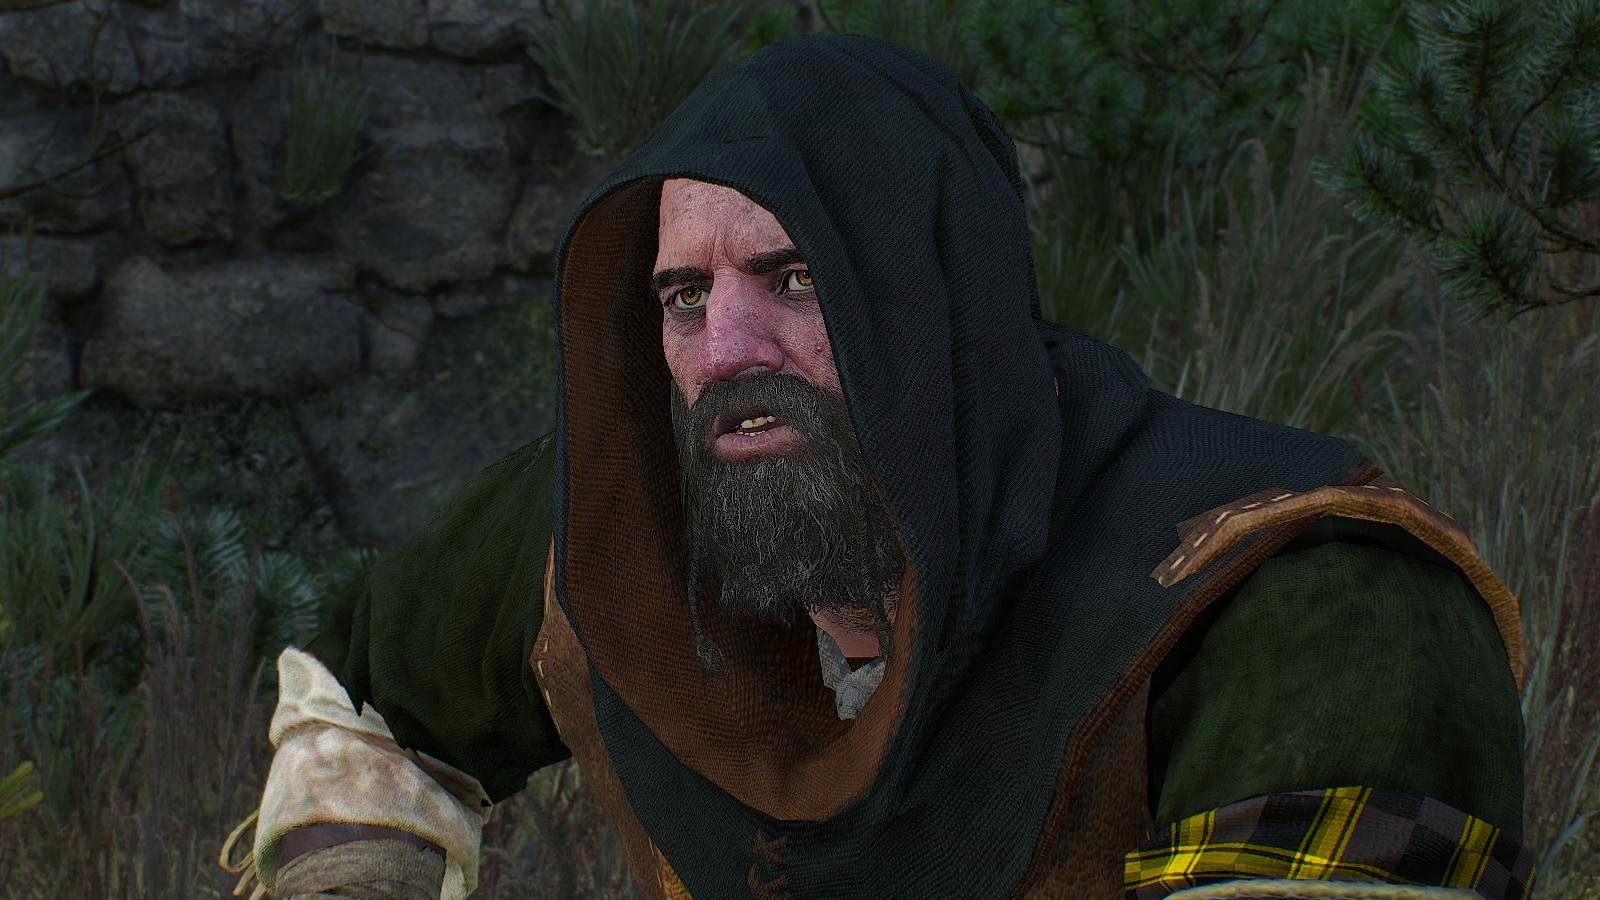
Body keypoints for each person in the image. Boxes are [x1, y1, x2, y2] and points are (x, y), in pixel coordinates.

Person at [221, 34, 1534, 899]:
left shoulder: (1308, 606)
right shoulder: (631, 520)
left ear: (939, 300)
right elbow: (362, 705)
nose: (725, 352)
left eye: (796, 278)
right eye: (684, 297)